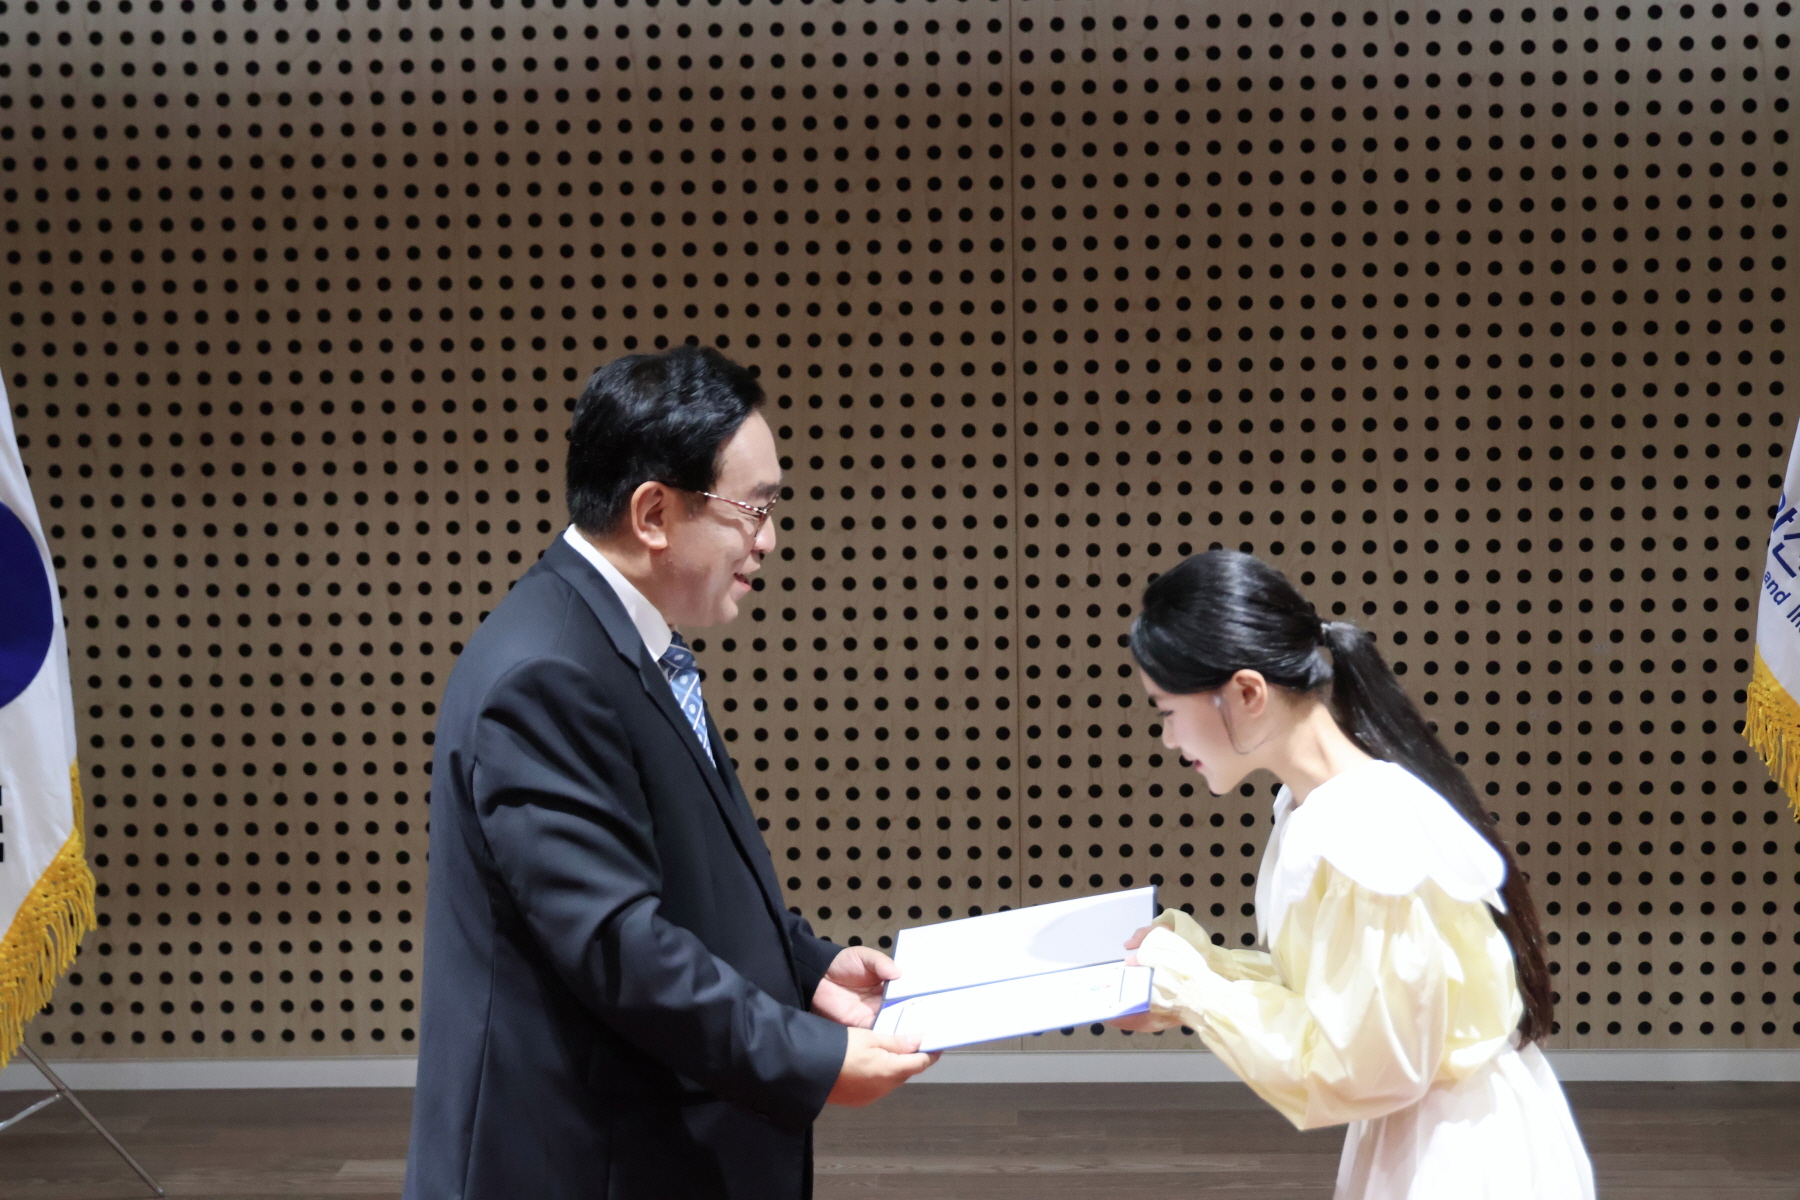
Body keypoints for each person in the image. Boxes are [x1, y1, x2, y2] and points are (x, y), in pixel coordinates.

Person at [403, 346, 936, 1200]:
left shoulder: (609, 636)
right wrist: (811, 1059)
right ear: (653, 512)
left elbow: (684, 877)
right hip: (582, 1163)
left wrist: (806, 968)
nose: (769, 539)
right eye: (753, 509)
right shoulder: (548, 672)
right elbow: (619, 945)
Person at [1115, 550, 1594, 1199]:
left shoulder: (1363, 829)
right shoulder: (1322, 807)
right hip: (1429, 1133)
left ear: (1247, 693)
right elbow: (1341, 995)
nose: (1169, 740)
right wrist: (1204, 972)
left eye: (1167, 712)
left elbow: (1363, 1069)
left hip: (1460, 1158)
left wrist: (1195, 991)